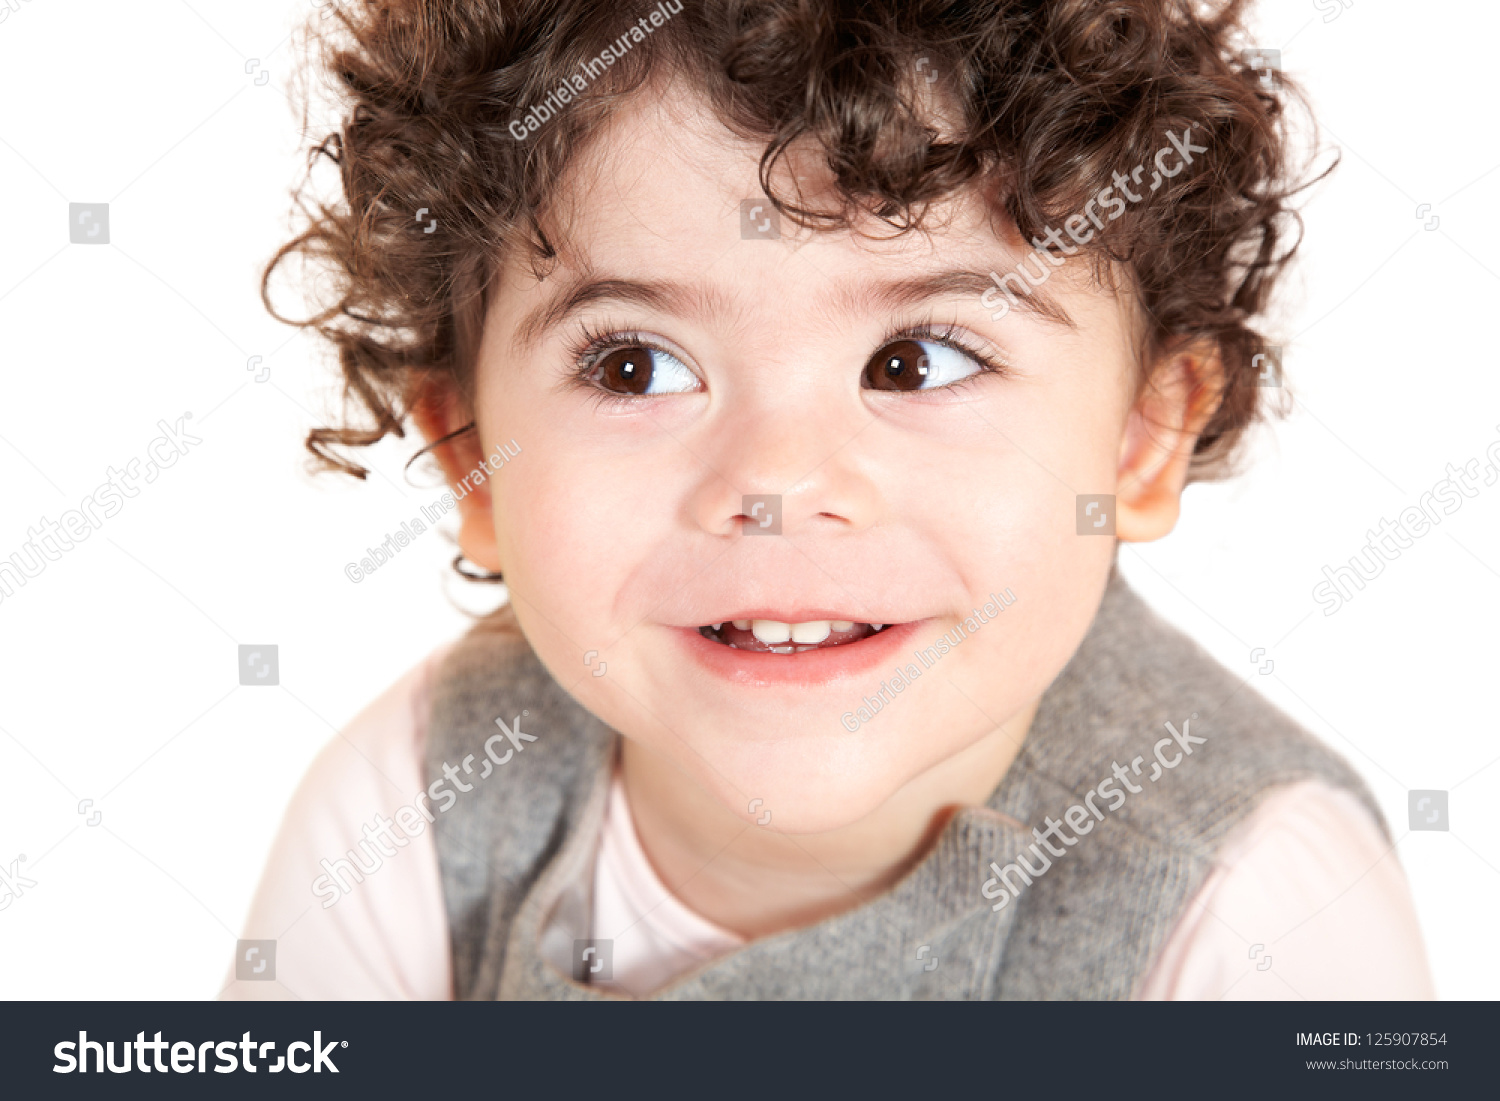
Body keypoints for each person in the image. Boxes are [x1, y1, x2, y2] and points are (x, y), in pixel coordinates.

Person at [224, 0, 1431, 1000]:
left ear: (1141, 439)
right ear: (468, 454)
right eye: (633, 365)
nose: (778, 481)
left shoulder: (1254, 910)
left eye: (917, 361)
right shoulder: (422, 802)